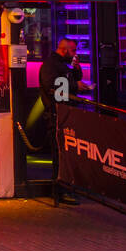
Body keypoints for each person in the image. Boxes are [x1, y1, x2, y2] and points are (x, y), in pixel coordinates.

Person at [39, 37, 85, 205]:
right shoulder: (51, 65)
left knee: (67, 155)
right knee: (60, 155)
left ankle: (66, 190)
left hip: (65, 114)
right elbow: (53, 87)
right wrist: (75, 86)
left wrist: (76, 68)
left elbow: (72, 79)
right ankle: (59, 191)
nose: (75, 54)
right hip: (56, 115)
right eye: (73, 51)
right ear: (65, 50)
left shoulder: (63, 65)